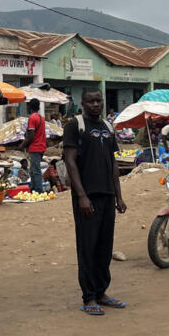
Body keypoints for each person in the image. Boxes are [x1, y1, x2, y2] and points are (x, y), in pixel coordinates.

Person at [62, 89, 127, 315]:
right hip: (87, 198)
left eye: (98, 100)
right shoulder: (75, 126)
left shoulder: (108, 127)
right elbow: (70, 162)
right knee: (87, 246)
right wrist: (81, 196)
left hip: (107, 195)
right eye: (90, 101)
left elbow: (113, 162)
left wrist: (118, 195)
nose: (95, 104)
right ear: (83, 103)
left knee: (104, 246)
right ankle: (88, 296)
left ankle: (101, 292)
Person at [22, 99, 47, 192]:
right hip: (41, 147)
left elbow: (31, 136)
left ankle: (39, 191)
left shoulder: (32, 118)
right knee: (33, 170)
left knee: (36, 171)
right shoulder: (41, 118)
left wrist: (22, 145)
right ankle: (33, 189)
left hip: (35, 147)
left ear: (29, 107)